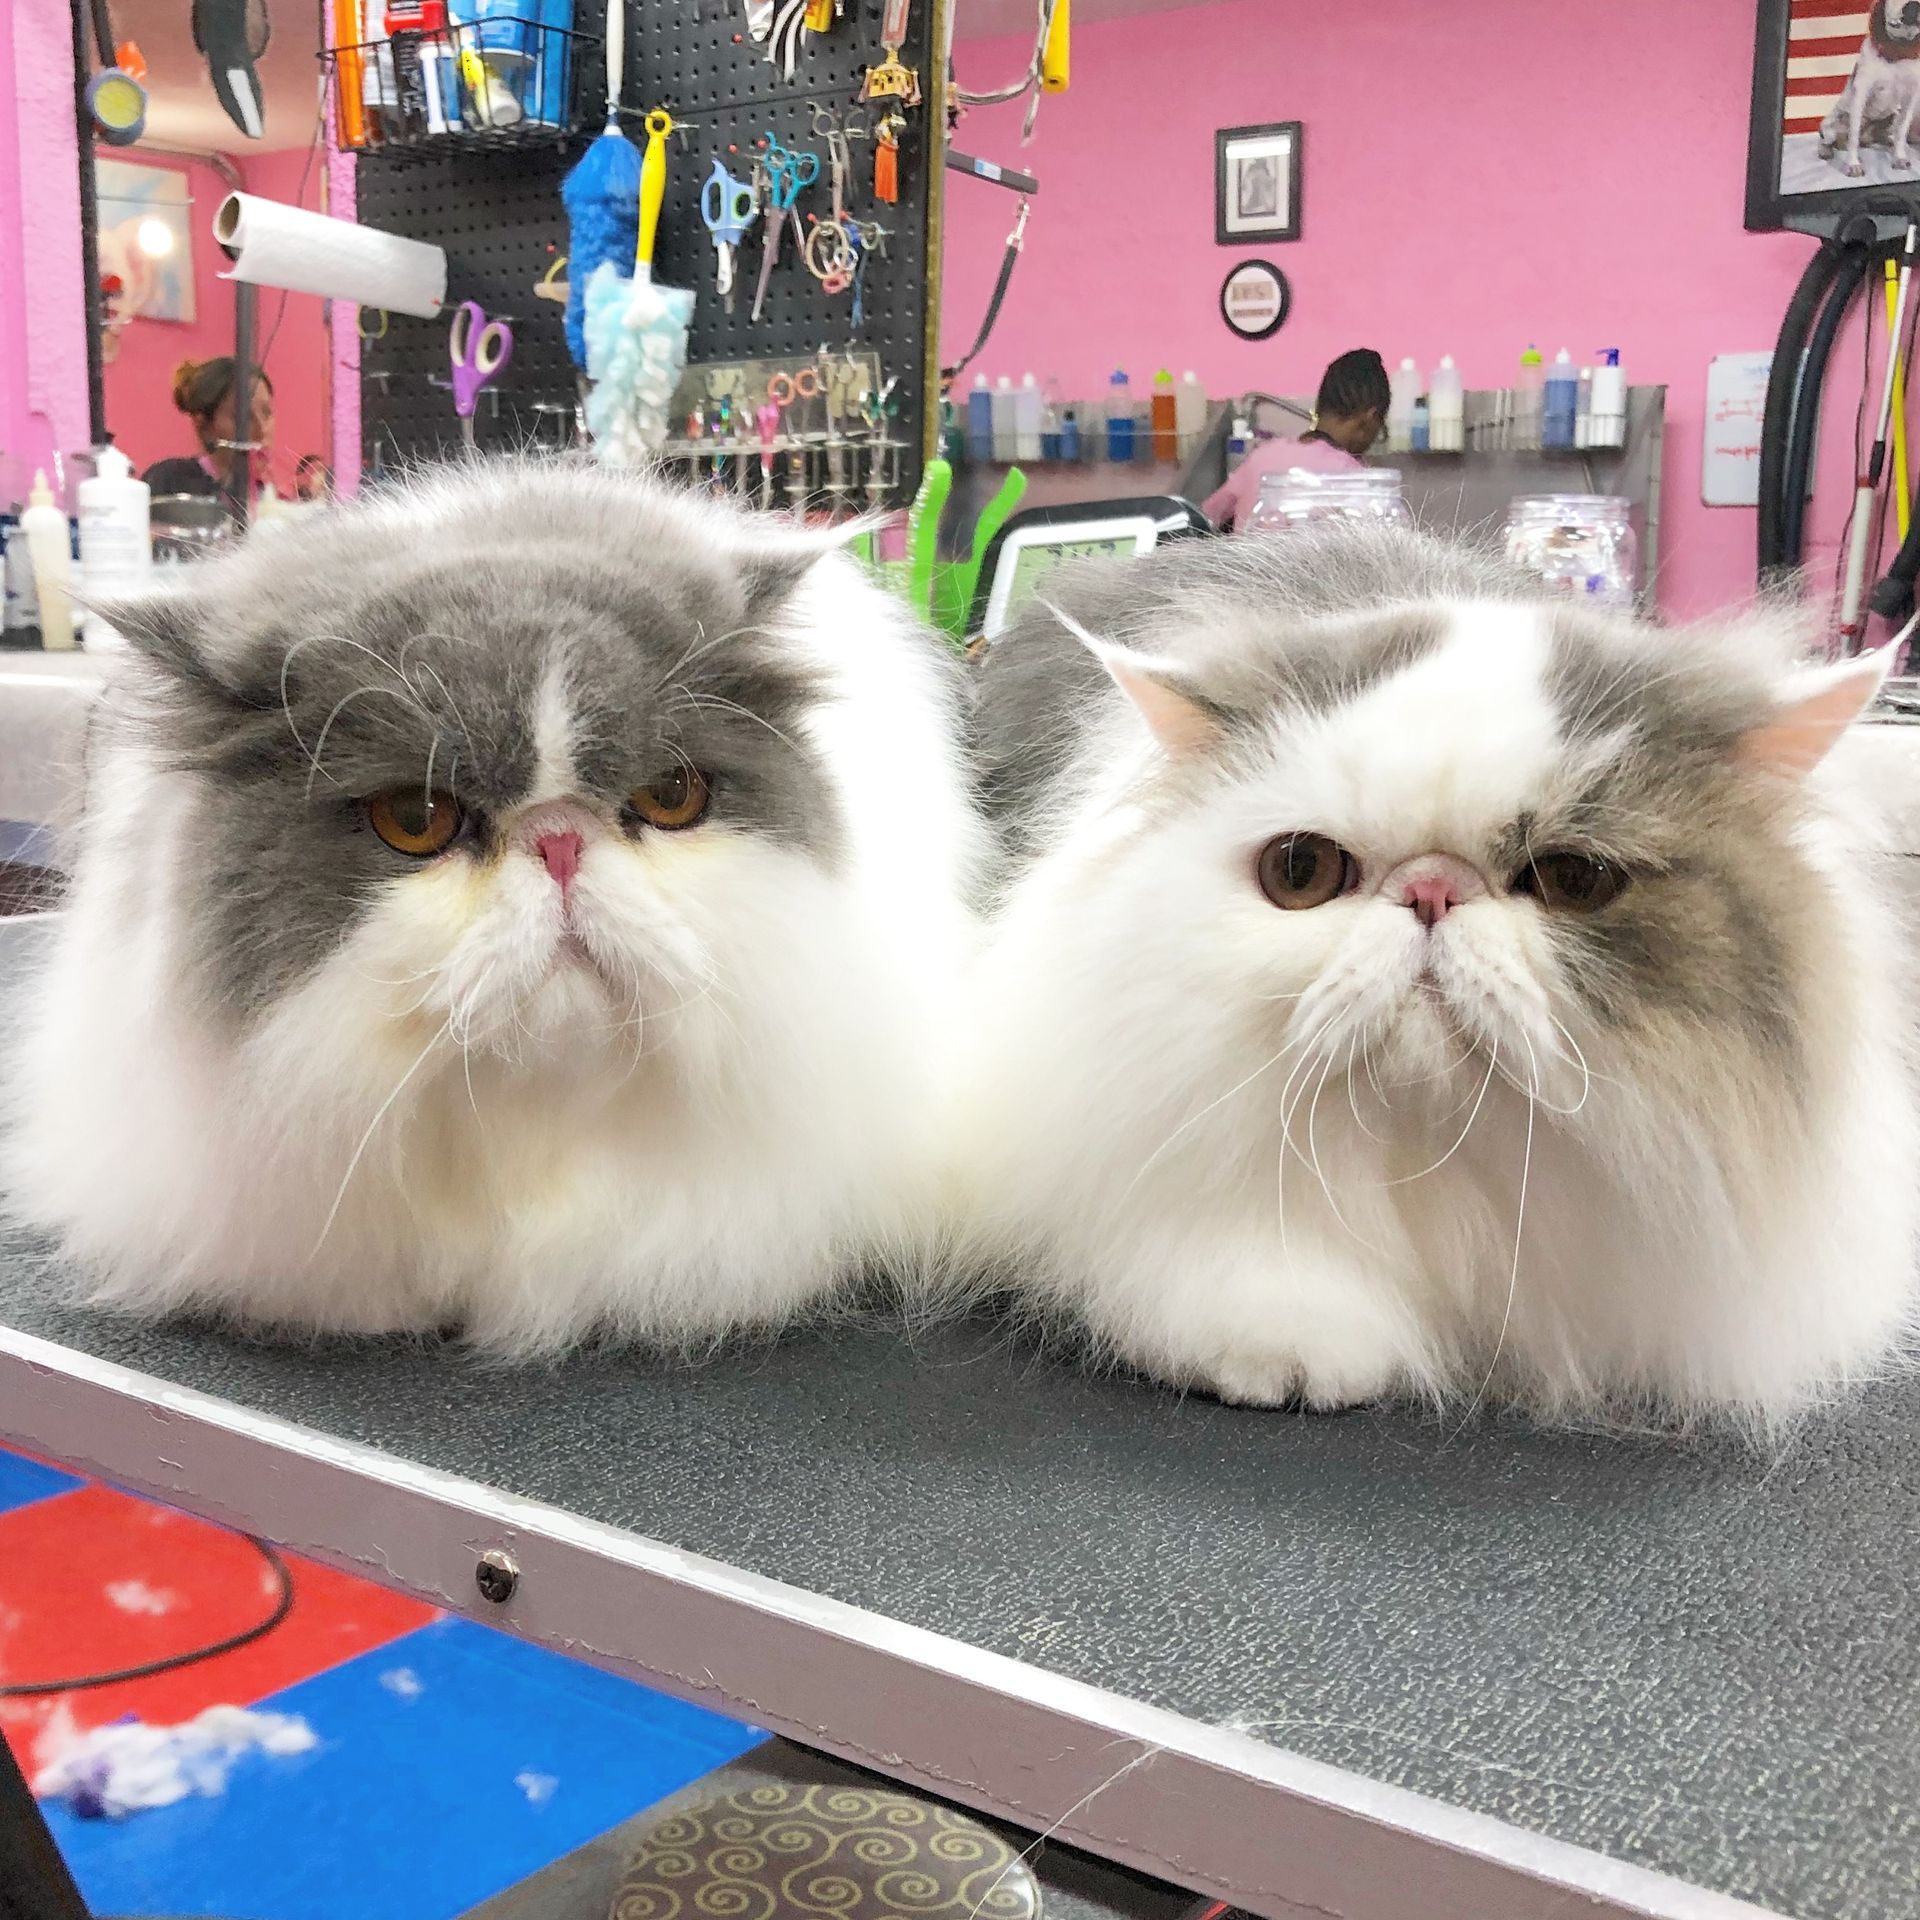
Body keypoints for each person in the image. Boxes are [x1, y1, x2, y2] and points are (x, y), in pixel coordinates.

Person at [1203, 347, 1391, 531]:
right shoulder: (1356, 480)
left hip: (1250, 562)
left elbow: (1208, 517)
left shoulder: (1263, 456)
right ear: (1371, 417)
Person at [141, 357, 274, 514]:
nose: (262, 429)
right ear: (204, 426)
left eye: (266, 413)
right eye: (243, 417)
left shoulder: (269, 498)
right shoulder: (168, 482)